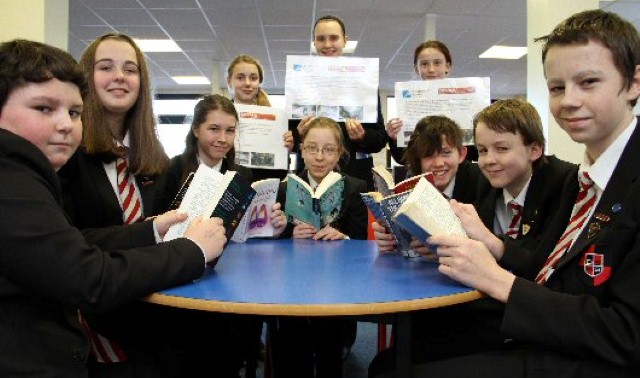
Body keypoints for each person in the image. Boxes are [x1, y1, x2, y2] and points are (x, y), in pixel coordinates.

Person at [372, 9, 640, 378]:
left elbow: (627, 336)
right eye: (557, 87)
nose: (568, 101)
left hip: (589, 356)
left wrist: (496, 279)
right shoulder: (584, 179)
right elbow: (547, 270)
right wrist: (488, 245)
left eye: (589, 82)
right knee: (393, 358)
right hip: (550, 326)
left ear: (634, 83)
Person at [0, 38, 226, 378]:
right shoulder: (18, 173)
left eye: (73, 112)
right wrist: (191, 250)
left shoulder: (152, 158)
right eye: (44, 108)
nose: (64, 124)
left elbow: (69, 242)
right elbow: (87, 275)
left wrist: (150, 229)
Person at [271, 117, 368, 378]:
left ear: (340, 153)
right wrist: (288, 232)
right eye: (312, 148)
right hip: (294, 284)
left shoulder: (355, 188)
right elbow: (273, 245)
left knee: (329, 351)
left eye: (328, 150)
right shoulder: (285, 189)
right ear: (301, 150)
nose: (319, 157)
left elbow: (361, 241)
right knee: (292, 348)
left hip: (336, 285)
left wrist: (342, 236)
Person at [291, 15, 387, 191]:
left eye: (334, 38)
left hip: (355, 177)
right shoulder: (300, 81)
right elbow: (289, 138)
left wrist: (362, 136)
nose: (327, 45)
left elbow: (380, 139)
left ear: (345, 41)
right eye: (321, 39)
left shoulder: (364, 81)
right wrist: (298, 133)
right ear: (314, 42)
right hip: (310, 177)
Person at [473, 99, 576, 248]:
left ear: (534, 151)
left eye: (501, 148)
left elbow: (542, 257)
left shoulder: (564, 183)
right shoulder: (485, 182)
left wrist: (488, 239)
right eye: (482, 150)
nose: (488, 160)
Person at [226, 54, 294, 181]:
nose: (247, 83)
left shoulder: (275, 121)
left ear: (259, 82)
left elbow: (279, 174)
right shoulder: (220, 117)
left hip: (263, 191)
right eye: (240, 78)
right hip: (228, 187)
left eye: (253, 78)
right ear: (229, 81)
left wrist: (285, 151)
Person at [386, 40, 453, 164]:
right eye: (424, 64)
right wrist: (396, 138)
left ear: (447, 66)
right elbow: (402, 159)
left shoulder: (463, 101)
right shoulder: (409, 105)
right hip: (422, 175)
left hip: (458, 174)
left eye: (437, 63)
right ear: (417, 69)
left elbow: (474, 153)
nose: (431, 69)